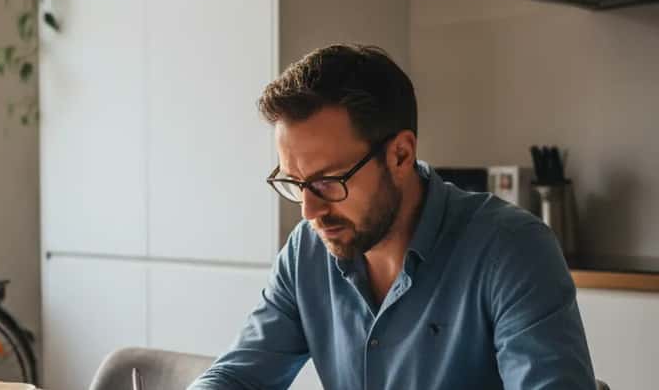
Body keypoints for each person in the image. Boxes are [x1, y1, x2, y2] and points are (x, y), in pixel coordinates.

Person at [189, 44, 595, 389]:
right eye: (294, 183)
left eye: (328, 181)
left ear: (400, 154)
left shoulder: (512, 249)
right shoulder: (306, 252)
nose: (309, 211)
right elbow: (237, 376)